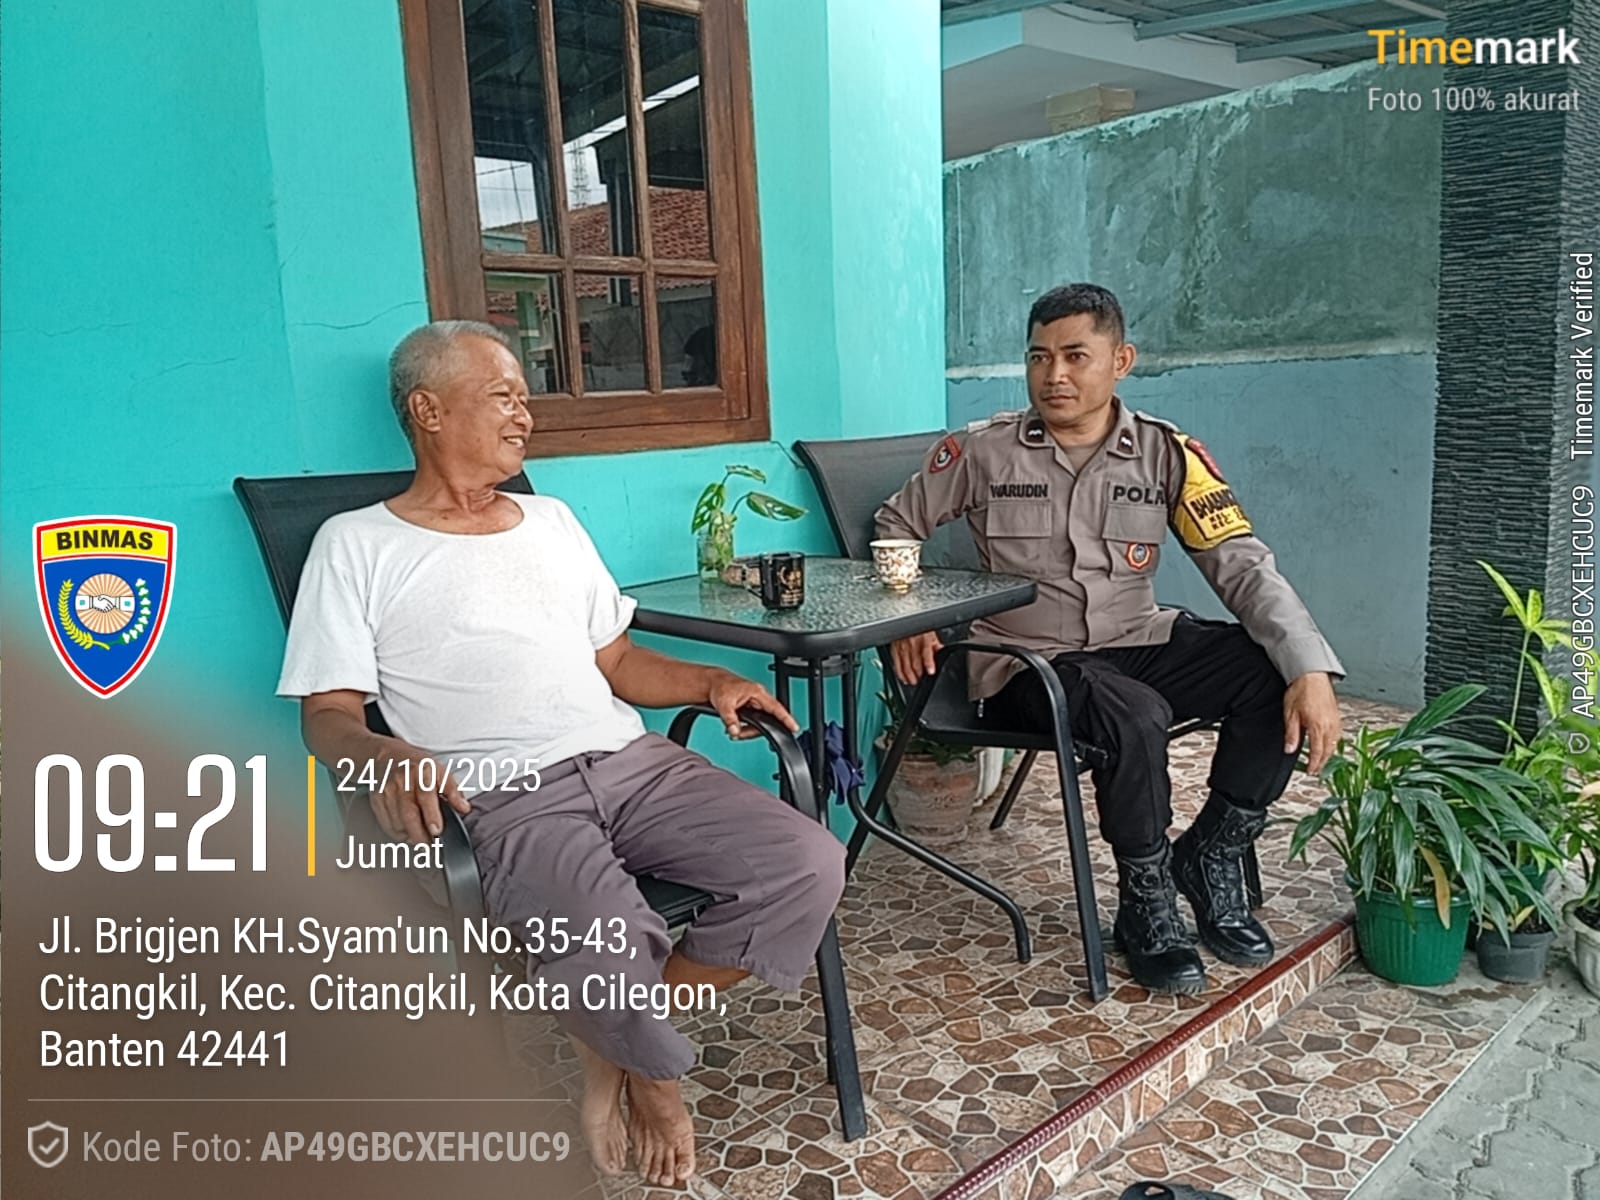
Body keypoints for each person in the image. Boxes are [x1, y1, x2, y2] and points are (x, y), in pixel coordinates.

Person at [277, 320, 846, 1187]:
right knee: (608, 938)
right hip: (504, 795)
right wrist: (383, 754)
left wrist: (708, 682)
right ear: (428, 410)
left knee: (807, 862)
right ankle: (657, 1083)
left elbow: (617, 661)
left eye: (524, 397)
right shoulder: (356, 545)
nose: (525, 415)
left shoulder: (551, 521)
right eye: (503, 396)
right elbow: (326, 716)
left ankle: (615, 1050)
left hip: (632, 764)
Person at [875, 284, 1343, 996]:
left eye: (1075, 356)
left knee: (1269, 670)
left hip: (1134, 639)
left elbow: (1241, 563)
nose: (1053, 375)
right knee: (1132, 711)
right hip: (1028, 665)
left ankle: (1211, 854)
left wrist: (1308, 668)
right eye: (1039, 357)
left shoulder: (1166, 454)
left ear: (1121, 360)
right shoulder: (983, 451)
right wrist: (911, 615)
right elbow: (896, 524)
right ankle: (1145, 900)